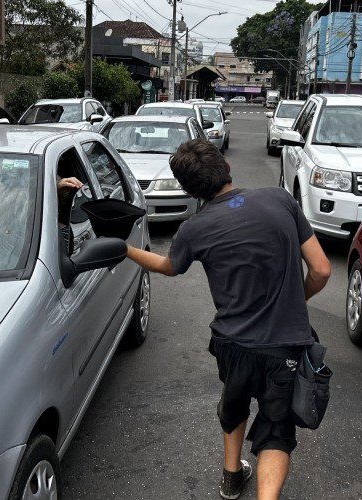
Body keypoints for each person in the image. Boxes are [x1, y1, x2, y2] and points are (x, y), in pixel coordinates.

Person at [125, 139, 331, 500]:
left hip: (232, 343)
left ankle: (231, 477)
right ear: (227, 167)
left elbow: (169, 267)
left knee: (234, 405)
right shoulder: (280, 200)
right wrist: (297, 301)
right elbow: (322, 269)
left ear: (189, 190)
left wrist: (124, 248)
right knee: (276, 430)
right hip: (284, 344)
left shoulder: (194, 228)